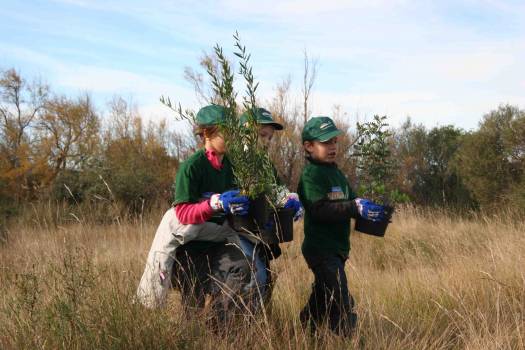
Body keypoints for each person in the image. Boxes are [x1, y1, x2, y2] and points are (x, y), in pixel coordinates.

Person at [136, 104, 252, 316]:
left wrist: (241, 207)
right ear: (207, 132)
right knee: (192, 307)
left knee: (242, 267)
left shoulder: (232, 167)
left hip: (218, 242)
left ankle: (217, 324)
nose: (233, 136)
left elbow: (236, 202)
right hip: (189, 247)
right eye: (227, 130)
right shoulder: (192, 167)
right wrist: (212, 205)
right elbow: (182, 214)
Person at [297, 116, 388, 336]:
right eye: (326, 142)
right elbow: (319, 209)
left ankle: (305, 326)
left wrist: (368, 210)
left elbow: (351, 201)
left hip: (338, 249)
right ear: (309, 146)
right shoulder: (311, 175)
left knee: (324, 294)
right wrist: (354, 208)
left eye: (334, 141)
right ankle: (348, 338)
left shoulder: (337, 173)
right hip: (320, 249)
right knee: (340, 298)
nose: (332, 147)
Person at [236, 107, 303, 304]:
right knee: (254, 277)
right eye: (262, 135)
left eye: (269, 138)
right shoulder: (234, 160)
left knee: (265, 280)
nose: (266, 142)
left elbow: (277, 190)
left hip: (260, 234)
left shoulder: (264, 163)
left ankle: (258, 326)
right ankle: (236, 327)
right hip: (238, 232)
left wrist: (291, 199)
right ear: (244, 133)